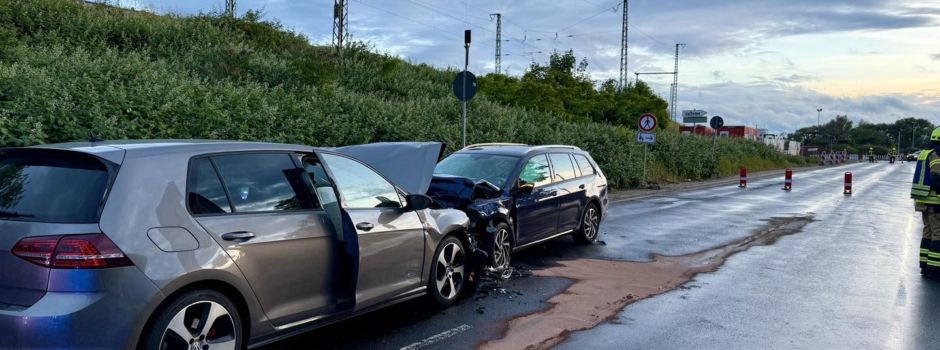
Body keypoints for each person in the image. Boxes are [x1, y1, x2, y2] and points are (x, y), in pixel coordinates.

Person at [911, 127, 940, 277]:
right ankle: (935, 270)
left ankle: (925, 266)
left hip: (924, 201)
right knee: (938, 235)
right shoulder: (936, 155)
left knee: (928, 233)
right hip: (936, 202)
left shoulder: (925, 153)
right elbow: (936, 178)